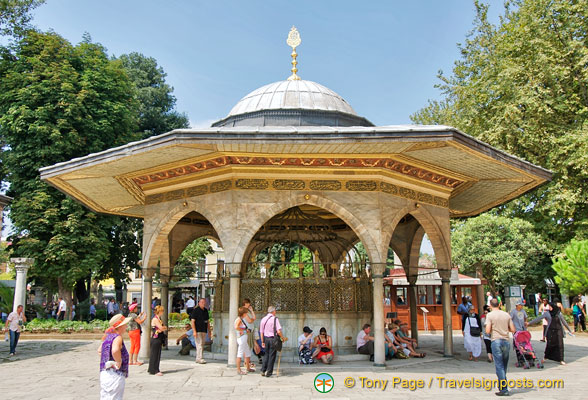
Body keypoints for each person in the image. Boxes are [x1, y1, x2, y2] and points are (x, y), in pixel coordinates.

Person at [485, 298, 516, 397]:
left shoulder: (489, 315)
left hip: (496, 340)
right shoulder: (506, 315)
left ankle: (504, 388)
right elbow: (513, 329)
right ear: (499, 304)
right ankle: (502, 386)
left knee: (499, 365)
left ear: (490, 305)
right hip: (506, 341)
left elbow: (488, 330)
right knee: (504, 365)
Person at [100, 314, 131, 400]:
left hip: (105, 373)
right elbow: (115, 350)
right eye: (125, 324)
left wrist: (107, 359)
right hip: (115, 374)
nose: (126, 326)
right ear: (120, 326)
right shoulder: (117, 337)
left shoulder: (108, 337)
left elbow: (99, 350)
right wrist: (118, 361)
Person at [259, 305, 286, 377]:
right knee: (272, 356)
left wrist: (262, 341)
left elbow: (261, 332)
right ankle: (269, 372)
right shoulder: (275, 319)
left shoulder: (263, 319)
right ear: (273, 311)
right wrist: (282, 338)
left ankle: (263, 370)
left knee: (266, 355)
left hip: (266, 339)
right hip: (273, 339)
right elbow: (278, 331)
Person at [235, 306, 255, 375]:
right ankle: (238, 370)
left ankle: (248, 367)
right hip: (241, 338)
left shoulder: (241, 319)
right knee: (240, 353)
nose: (246, 314)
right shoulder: (239, 319)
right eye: (246, 313)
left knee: (247, 352)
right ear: (243, 313)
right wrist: (244, 330)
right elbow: (236, 327)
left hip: (244, 338)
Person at [148, 305, 167, 376]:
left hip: (159, 338)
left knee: (157, 354)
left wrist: (163, 328)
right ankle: (155, 369)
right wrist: (162, 328)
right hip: (155, 338)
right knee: (155, 354)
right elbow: (161, 328)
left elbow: (163, 328)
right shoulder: (155, 319)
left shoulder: (159, 319)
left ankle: (154, 368)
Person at [190, 298, 210, 364]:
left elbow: (208, 321)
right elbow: (192, 321)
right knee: (199, 344)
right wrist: (194, 331)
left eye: (204, 302)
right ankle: (199, 358)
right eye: (202, 302)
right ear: (199, 303)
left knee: (202, 344)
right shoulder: (196, 310)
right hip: (198, 330)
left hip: (204, 329)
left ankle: (199, 357)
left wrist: (209, 331)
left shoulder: (206, 311)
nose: (203, 303)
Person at [242, 298, 257, 366]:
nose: (249, 304)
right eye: (248, 303)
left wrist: (252, 311)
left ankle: (248, 361)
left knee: (249, 346)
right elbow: (250, 321)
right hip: (246, 330)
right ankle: (246, 362)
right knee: (247, 346)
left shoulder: (248, 311)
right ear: (245, 303)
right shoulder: (243, 311)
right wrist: (252, 319)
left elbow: (254, 318)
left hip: (250, 330)